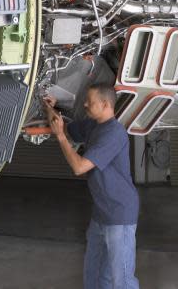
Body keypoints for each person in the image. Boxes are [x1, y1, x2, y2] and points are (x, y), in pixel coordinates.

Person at [43, 83, 140, 289]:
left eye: (90, 102)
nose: (85, 104)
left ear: (105, 104)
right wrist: (49, 107)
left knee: (121, 279)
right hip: (101, 213)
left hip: (119, 214)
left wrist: (60, 136)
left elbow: (79, 167)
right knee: (94, 275)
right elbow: (64, 126)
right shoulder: (93, 124)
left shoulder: (114, 133)